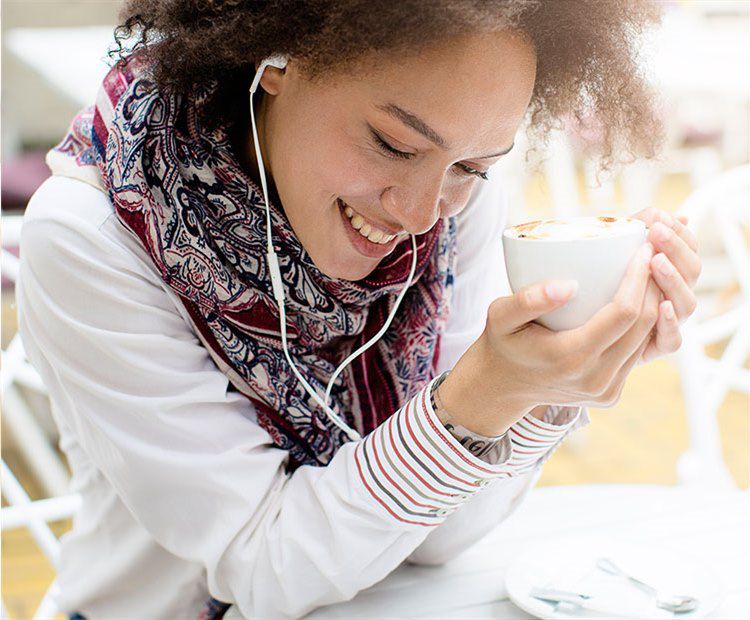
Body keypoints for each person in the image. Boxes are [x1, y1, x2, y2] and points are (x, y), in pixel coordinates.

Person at [17, 1, 702, 618]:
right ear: (278, 55)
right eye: (395, 145)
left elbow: (435, 542)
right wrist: (479, 397)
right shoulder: (91, 236)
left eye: (473, 168)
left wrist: (536, 387)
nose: (420, 213)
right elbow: (264, 567)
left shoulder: (454, 205)